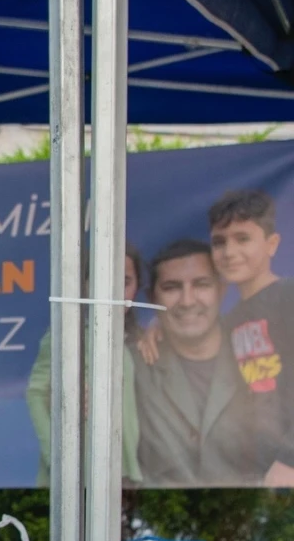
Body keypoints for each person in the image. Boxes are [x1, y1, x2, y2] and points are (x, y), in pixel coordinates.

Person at [138, 189, 294, 486]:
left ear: (272, 244)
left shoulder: (289, 297)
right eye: (219, 242)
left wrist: (290, 459)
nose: (230, 252)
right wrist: (159, 324)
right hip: (254, 478)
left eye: (243, 239)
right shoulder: (234, 319)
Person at [133, 239, 267, 487]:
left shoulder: (261, 352)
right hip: (158, 516)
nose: (187, 300)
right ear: (152, 297)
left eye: (201, 284)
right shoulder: (132, 364)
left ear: (221, 290)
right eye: (172, 288)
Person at [26, 245, 144, 486]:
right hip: (78, 474)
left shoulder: (134, 340)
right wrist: (58, 458)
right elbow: (35, 393)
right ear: (85, 285)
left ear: (136, 288)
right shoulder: (69, 333)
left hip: (122, 471)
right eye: (102, 279)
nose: (113, 290)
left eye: (124, 281)